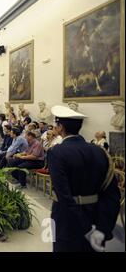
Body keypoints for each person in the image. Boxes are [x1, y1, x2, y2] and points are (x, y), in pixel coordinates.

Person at [48, 105, 121, 252]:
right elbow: (112, 195)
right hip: (95, 215)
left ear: (61, 127)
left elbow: (64, 196)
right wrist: (102, 229)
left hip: (67, 220)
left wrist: (87, 230)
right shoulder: (100, 152)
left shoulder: (57, 152)